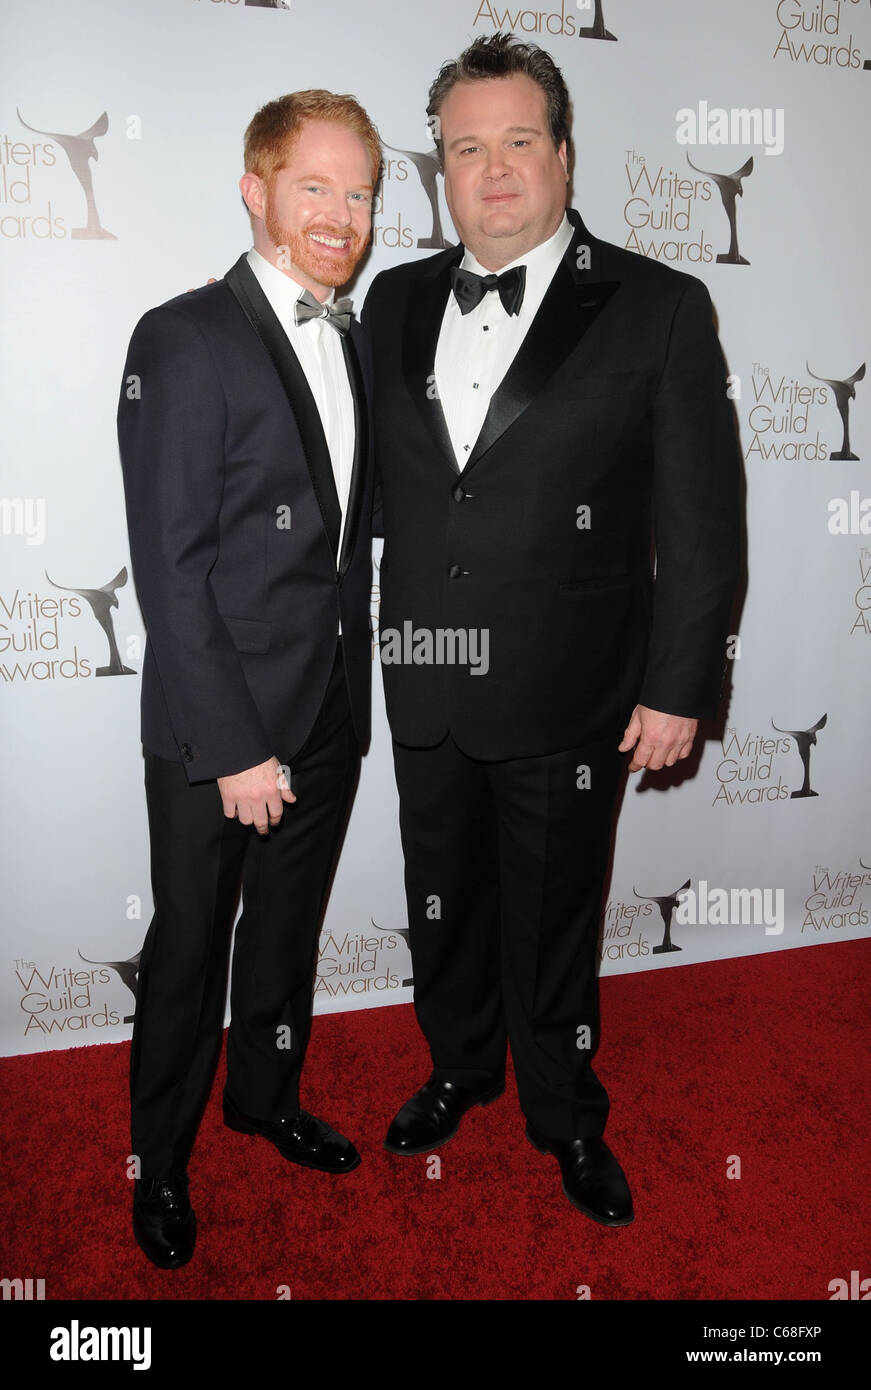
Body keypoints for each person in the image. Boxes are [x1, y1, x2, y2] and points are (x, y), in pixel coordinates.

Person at [363, 34, 741, 1226]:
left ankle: (564, 1111)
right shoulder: (397, 296)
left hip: (574, 687)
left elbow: (703, 521)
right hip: (424, 671)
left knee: (554, 916)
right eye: (466, 148)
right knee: (442, 899)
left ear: (564, 155)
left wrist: (678, 686)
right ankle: (460, 1065)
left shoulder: (659, 306)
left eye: (519, 141)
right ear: (442, 167)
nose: (494, 170)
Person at [117, 89, 381, 1267]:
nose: (340, 213)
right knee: (188, 946)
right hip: (212, 729)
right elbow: (169, 570)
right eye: (314, 185)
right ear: (256, 187)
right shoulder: (181, 338)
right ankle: (160, 1165)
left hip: (325, 708)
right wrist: (232, 750)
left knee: (285, 931)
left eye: (361, 191)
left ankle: (264, 1097)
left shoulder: (357, 336)